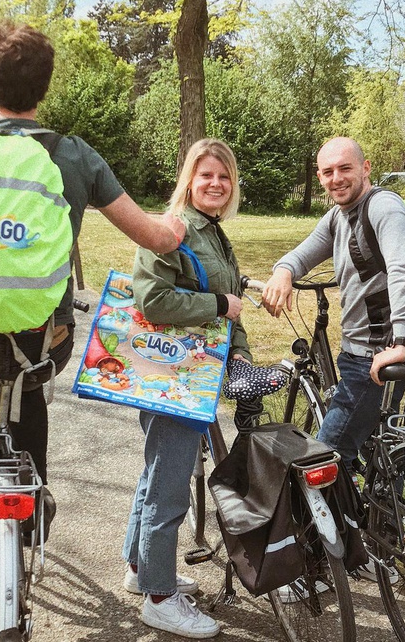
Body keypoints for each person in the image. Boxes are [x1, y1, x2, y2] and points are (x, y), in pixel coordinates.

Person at [0, 21, 185, 605]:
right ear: (44, 89)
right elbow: (154, 236)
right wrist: (175, 226)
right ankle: (34, 501)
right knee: (28, 386)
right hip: (42, 337)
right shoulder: (71, 155)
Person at [261, 137, 405, 580]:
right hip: (374, 354)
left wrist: (401, 338)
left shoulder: (383, 208)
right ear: (319, 177)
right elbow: (304, 251)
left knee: (324, 460)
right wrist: (284, 270)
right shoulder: (338, 216)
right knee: (371, 447)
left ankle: (319, 564)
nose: (336, 178)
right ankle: (373, 537)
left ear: (365, 167)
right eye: (327, 172)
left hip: (375, 355)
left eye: (344, 169)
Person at [121, 138, 261, 639]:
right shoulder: (172, 229)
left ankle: (141, 570)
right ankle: (160, 598)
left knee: (158, 471)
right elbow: (154, 300)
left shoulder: (213, 232)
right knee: (170, 482)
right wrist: (219, 308)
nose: (216, 184)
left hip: (192, 373)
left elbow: (233, 300)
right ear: (189, 179)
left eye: (223, 177)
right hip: (173, 376)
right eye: (206, 176)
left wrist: (240, 351)